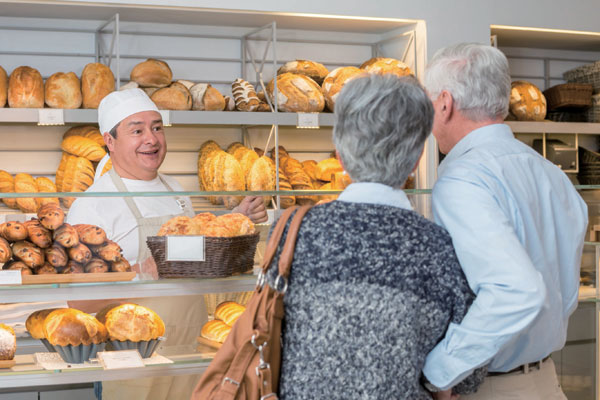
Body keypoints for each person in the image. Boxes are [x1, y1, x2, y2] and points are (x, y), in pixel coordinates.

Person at [265, 74, 486, 399]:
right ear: (415, 160)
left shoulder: (292, 230)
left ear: (339, 156)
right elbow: (468, 373)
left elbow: (271, 335)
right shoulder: (438, 247)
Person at [65, 88, 267, 400]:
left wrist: (233, 220)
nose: (152, 139)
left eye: (157, 127)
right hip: (132, 360)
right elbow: (77, 305)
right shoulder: (93, 206)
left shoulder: (175, 189)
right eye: (137, 130)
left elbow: (193, 254)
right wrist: (140, 273)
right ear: (110, 141)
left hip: (190, 352)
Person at [421, 43, 588, 400]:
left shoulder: (462, 179)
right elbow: (565, 294)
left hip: (491, 387)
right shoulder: (551, 174)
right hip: (546, 381)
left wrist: (440, 371)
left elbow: (515, 290)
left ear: (446, 103)